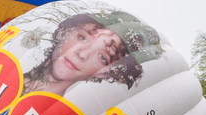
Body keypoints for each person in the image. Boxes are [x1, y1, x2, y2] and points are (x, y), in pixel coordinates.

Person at [23, 11, 162, 95]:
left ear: (106, 72)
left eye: (103, 57)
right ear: (64, 32)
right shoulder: (9, 70)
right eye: (82, 37)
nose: (82, 54)